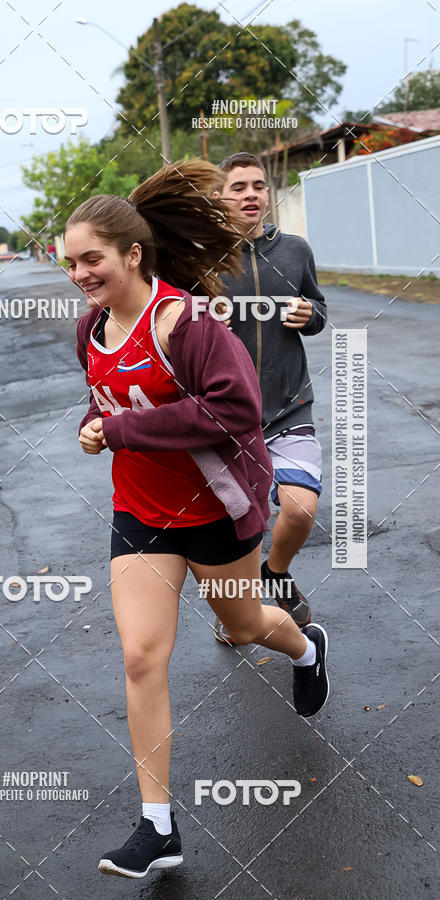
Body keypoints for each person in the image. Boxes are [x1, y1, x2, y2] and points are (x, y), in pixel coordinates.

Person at [67, 160, 330, 880]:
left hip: (216, 507)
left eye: (92, 259)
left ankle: (306, 650)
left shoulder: (189, 322)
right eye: (71, 263)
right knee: (141, 657)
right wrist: (95, 424)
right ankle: (158, 826)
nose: (80, 274)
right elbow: (111, 397)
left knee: (244, 627)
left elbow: (235, 410)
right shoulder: (92, 329)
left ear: (132, 254)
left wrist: (122, 430)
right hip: (139, 512)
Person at [211, 152, 327, 643]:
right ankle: (239, 614)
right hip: (226, 421)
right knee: (239, 526)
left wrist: (310, 314)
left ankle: (275, 573)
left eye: (258, 185)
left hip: (288, 407)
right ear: (219, 197)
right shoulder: (203, 259)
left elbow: (318, 308)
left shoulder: (295, 250)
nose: (251, 195)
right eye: (238, 187)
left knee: (300, 509)